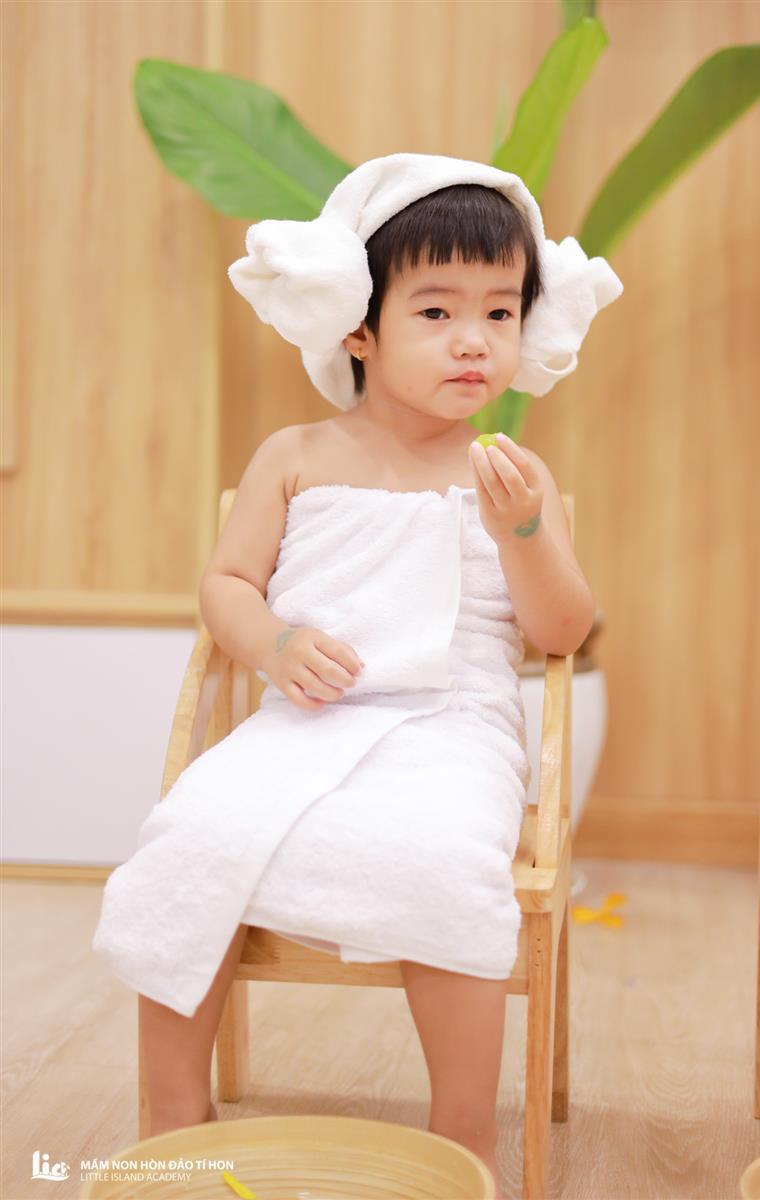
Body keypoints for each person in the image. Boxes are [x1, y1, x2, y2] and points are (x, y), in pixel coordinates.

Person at [93, 152, 623, 1198]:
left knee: (442, 858)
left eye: (499, 312)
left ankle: (461, 1135)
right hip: (304, 719)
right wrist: (275, 644)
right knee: (189, 834)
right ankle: (172, 1114)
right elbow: (227, 585)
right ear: (357, 326)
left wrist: (523, 532)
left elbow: (562, 630)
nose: (473, 339)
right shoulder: (295, 455)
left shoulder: (512, 477)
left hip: (453, 729)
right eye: (436, 311)